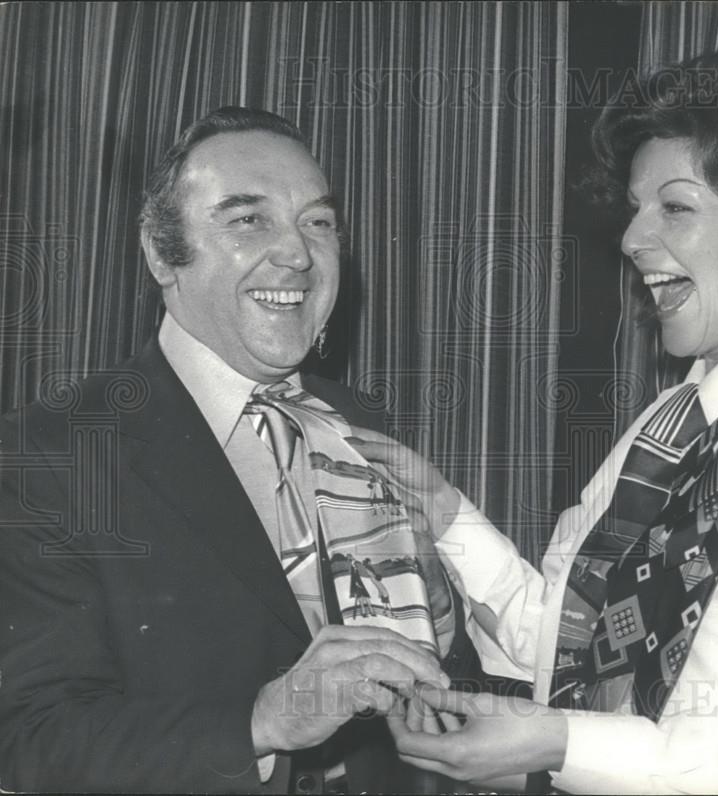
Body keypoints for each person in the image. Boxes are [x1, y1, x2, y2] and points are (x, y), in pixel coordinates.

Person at [350, 47, 718, 794]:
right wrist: (448, 516)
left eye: (675, 207)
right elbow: (569, 648)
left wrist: (556, 743)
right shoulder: (672, 421)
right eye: (637, 208)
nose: (632, 239)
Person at [0, 107, 480, 794]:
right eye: (249, 219)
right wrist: (263, 721)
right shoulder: (48, 453)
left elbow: (439, 697)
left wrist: (442, 621)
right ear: (163, 253)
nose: (298, 254)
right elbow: (29, 738)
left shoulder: (359, 423)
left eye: (318, 222)